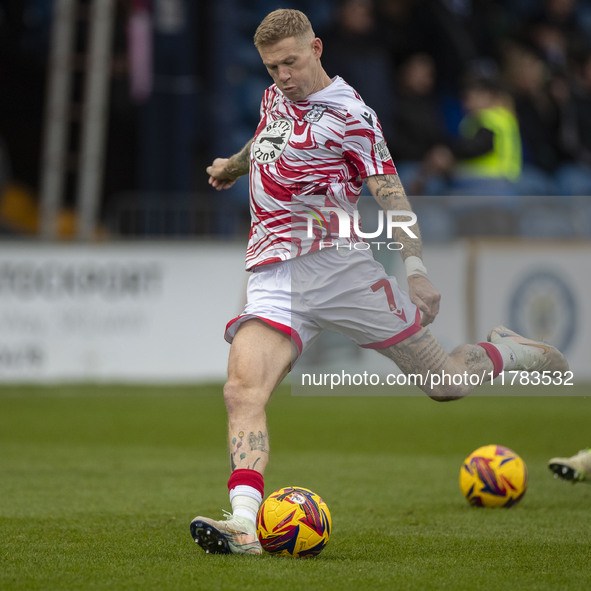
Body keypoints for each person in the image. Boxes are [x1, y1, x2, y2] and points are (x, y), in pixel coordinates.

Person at [190, 9, 569, 556]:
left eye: (291, 63)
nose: (282, 77)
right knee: (241, 392)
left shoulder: (352, 116)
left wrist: (414, 270)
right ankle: (245, 525)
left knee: (444, 384)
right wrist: (234, 165)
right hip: (274, 274)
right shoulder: (276, 96)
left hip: (344, 274)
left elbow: (394, 197)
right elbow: (267, 140)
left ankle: (510, 350)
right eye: (272, 68)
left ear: (317, 48)